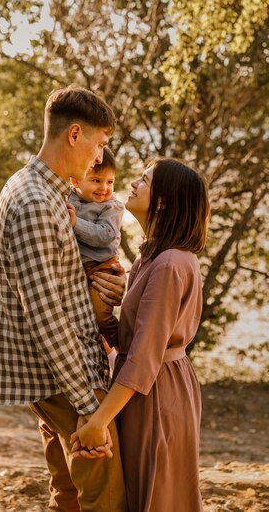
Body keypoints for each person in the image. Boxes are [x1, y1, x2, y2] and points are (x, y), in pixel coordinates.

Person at [0, 85, 127, 512]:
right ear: (74, 135)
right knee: (103, 498)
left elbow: (62, 288)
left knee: (67, 493)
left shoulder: (46, 191)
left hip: (59, 375)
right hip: (64, 381)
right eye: (99, 144)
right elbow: (46, 315)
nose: (99, 157)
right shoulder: (33, 202)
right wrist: (89, 406)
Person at [71, 158, 209, 512]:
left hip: (156, 392)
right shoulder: (152, 257)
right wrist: (105, 305)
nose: (132, 184)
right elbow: (133, 340)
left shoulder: (169, 264)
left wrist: (98, 422)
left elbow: (144, 357)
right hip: (147, 385)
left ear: (162, 202)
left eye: (144, 180)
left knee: (155, 493)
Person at [67, 146, 125, 348]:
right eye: (96, 181)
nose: (104, 188)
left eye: (110, 182)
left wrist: (76, 224)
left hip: (102, 267)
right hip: (78, 268)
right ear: (76, 181)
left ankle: (122, 345)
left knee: (101, 316)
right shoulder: (67, 197)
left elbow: (105, 235)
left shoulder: (112, 206)